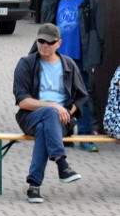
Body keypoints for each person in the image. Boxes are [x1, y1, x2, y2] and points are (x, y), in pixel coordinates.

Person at [12, 24, 87, 204]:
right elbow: (23, 101)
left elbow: (81, 96)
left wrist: (68, 112)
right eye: (41, 41)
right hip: (30, 116)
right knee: (48, 114)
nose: (45, 45)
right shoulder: (26, 64)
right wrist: (53, 105)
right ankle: (62, 164)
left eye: (50, 42)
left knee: (44, 128)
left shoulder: (68, 65)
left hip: (61, 120)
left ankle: (34, 186)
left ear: (59, 43)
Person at [41, 0, 103, 153]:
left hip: (80, 56)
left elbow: (97, 29)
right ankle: (66, 135)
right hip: (59, 56)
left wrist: (96, 53)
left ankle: (85, 135)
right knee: (62, 95)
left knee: (82, 95)